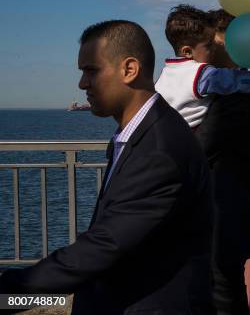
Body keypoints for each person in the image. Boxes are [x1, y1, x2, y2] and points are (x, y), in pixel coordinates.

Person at [0, 20, 214, 314]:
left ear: (129, 69)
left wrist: (8, 294)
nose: (82, 83)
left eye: (91, 71)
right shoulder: (142, 133)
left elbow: (104, 246)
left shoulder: (159, 150)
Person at [191, 9, 250, 315]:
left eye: (210, 39)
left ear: (229, 42)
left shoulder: (235, 96)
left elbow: (202, 147)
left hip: (222, 212)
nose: (205, 47)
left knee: (222, 290)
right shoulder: (245, 90)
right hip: (234, 207)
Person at [155, 4, 250, 129]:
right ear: (188, 51)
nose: (213, 49)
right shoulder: (202, 74)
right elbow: (238, 80)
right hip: (187, 139)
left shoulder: (165, 74)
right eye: (209, 45)